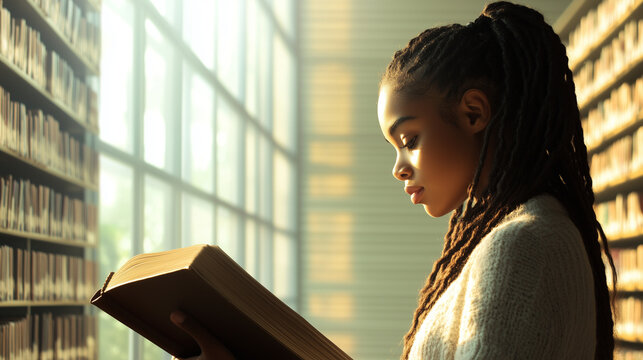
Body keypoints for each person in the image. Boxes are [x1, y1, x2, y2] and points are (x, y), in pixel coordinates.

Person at [170, 1, 618, 359]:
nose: (398, 166)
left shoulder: (522, 245)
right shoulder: (527, 232)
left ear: (473, 113)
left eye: (409, 138)